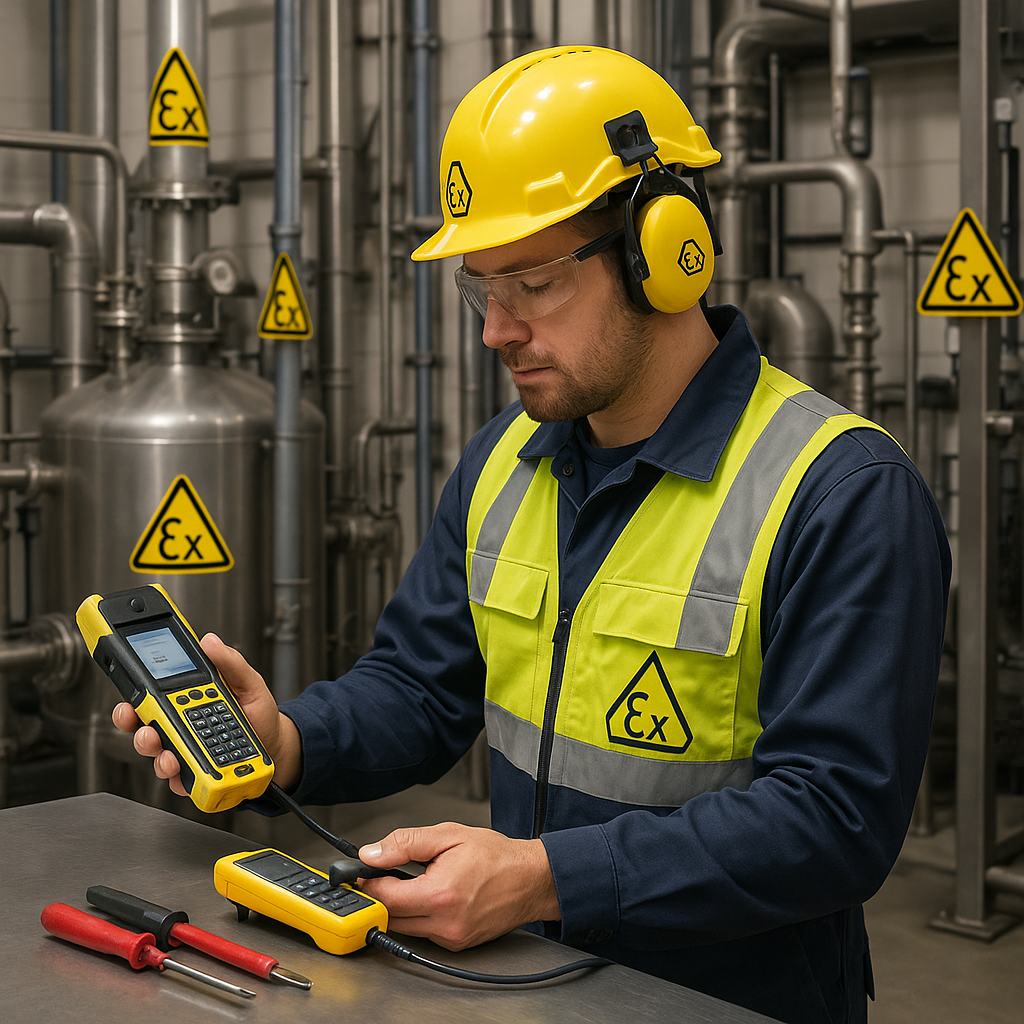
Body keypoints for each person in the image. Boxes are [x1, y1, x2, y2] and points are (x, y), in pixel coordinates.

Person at [114, 45, 951, 1024]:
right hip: (527, 989)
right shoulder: (504, 460)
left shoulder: (839, 491)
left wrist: (545, 876)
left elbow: (833, 818)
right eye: (481, 288)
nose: (493, 332)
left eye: (533, 284)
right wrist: (290, 740)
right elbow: (422, 689)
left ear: (664, 253)